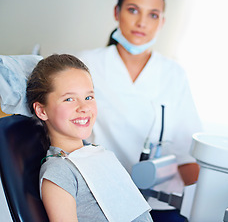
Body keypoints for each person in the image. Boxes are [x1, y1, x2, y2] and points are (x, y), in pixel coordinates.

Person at [76, 0, 202, 221]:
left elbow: (189, 153)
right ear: (117, 12)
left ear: (162, 22)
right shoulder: (85, 64)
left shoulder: (173, 73)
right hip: (98, 194)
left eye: (153, 15)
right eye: (133, 10)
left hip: (158, 202)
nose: (142, 22)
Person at [26, 54, 153, 222]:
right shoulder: (60, 172)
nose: (84, 107)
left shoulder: (98, 153)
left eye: (88, 97)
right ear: (42, 111)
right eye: (69, 99)